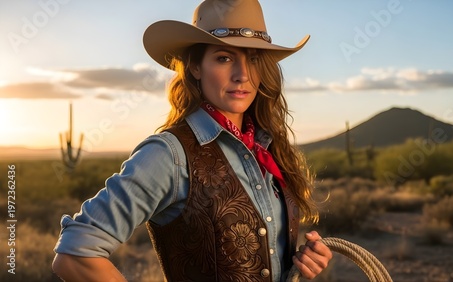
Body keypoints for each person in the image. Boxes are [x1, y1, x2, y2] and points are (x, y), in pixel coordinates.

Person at [52, 0, 333, 281]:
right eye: (224, 58)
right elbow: (76, 253)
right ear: (195, 67)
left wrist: (301, 263)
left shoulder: (264, 148)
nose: (243, 75)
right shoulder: (169, 155)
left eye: (254, 58)